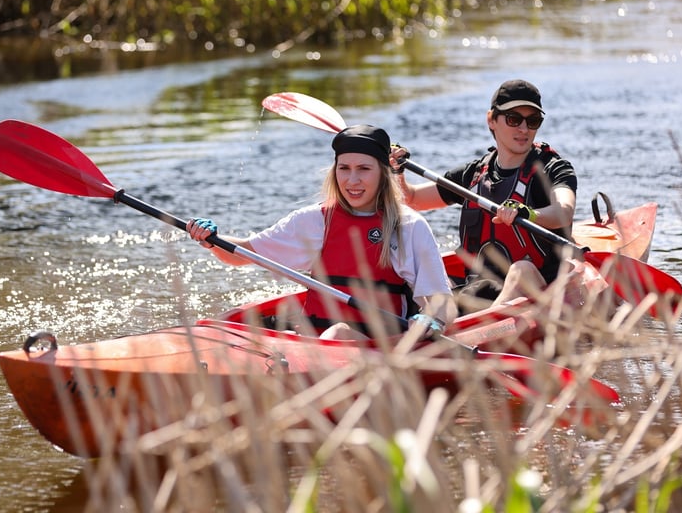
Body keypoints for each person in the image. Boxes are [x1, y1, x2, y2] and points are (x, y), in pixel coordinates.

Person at [187, 124, 457, 341]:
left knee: (338, 333)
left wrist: (430, 319)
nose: (352, 181)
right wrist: (211, 240)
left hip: (378, 343)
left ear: (383, 173)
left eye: (364, 169)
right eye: (344, 168)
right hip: (315, 341)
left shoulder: (407, 226)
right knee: (232, 318)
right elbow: (242, 254)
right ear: (334, 171)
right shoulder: (314, 220)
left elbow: (443, 304)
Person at [391, 79, 578, 310]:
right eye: (513, 119)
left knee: (521, 270)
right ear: (491, 120)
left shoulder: (552, 168)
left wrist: (527, 214)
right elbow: (412, 199)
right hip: (480, 290)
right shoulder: (473, 175)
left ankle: (478, 330)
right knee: (418, 276)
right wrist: (398, 171)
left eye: (533, 121)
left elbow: (564, 212)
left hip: (537, 287)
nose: (523, 129)